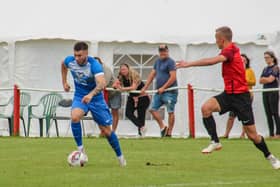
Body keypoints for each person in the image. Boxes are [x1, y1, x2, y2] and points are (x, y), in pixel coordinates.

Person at [177, 26, 280, 169]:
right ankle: (215, 141)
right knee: (206, 108)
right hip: (228, 94)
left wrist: (188, 64)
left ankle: (270, 156)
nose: (216, 42)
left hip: (241, 98)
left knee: (253, 136)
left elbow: (212, 61)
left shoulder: (230, 50)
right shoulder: (229, 50)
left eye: (216, 39)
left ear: (222, 39)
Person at [61, 42, 126, 167]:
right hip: (80, 96)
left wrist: (91, 95)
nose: (77, 58)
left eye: (79, 55)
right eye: (75, 55)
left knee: (106, 131)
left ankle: (120, 157)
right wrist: (64, 82)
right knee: (75, 117)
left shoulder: (94, 65)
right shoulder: (70, 61)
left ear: (86, 54)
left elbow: (102, 84)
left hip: (96, 99)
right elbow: (63, 64)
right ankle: (81, 151)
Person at [141, 44, 178, 137]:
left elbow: (173, 77)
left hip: (170, 91)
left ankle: (169, 133)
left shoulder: (171, 62)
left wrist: (164, 87)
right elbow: (152, 75)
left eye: (164, 51)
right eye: (161, 51)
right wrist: (145, 87)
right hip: (159, 91)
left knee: (170, 111)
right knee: (152, 109)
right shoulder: (157, 62)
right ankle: (163, 127)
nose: (163, 53)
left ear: (167, 51)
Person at [223, 54, 256, 138]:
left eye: (244, 60)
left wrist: (244, 81)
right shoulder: (235, 70)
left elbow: (253, 82)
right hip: (235, 95)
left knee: (245, 117)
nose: (243, 61)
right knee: (231, 115)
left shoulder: (249, 71)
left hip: (247, 95)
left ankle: (243, 134)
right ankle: (226, 134)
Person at [114, 63, 150, 136]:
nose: (123, 71)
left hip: (142, 98)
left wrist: (122, 89)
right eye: (121, 69)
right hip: (132, 97)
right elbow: (115, 85)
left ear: (128, 69)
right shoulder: (120, 76)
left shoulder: (134, 75)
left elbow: (133, 87)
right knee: (128, 113)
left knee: (141, 116)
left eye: (124, 69)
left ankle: (141, 134)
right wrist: (116, 85)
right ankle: (142, 127)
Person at [94, 57, 122, 132]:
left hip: (114, 92)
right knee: (102, 112)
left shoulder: (106, 69)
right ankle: (104, 131)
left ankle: (113, 131)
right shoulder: (93, 70)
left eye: (97, 63)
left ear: (101, 63)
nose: (95, 65)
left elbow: (104, 83)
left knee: (114, 112)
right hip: (103, 93)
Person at [260, 51, 280, 138]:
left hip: (273, 92)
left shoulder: (275, 68)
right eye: (265, 57)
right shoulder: (265, 69)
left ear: (272, 58)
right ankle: (271, 133)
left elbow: (271, 79)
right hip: (265, 92)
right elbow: (260, 80)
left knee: (274, 112)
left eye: (267, 57)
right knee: (268, 113)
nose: (266, 59)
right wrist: (265, 79)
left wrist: (265, 79)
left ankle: (278, 133)